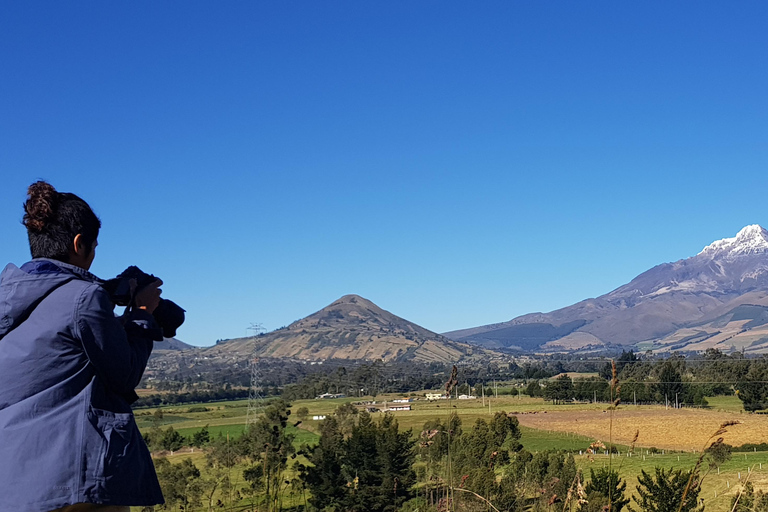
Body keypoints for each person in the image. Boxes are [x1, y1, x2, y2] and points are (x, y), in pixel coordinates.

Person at [0, 181, 165, 512]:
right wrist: (142, 313)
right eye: (94, 246)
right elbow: (125, 374)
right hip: (74, 481)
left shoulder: (9, 300)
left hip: (13, 482)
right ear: (79, 244)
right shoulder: (83, 298)